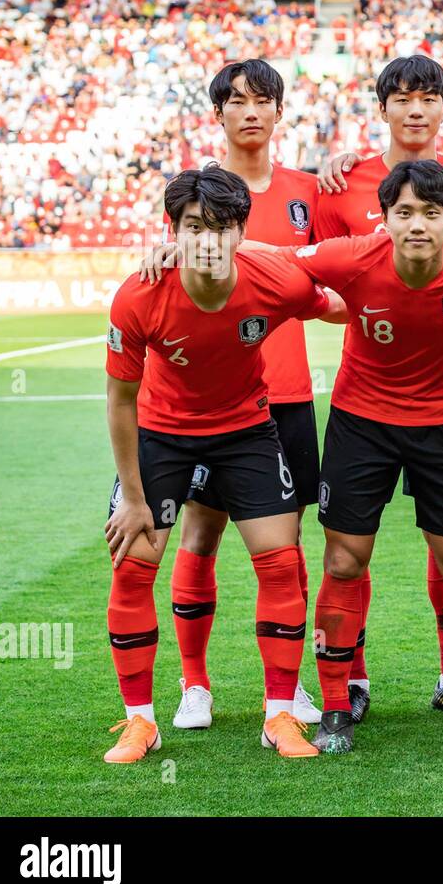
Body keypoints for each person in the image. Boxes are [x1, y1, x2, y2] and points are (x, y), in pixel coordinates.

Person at [281, 160, 443, 752]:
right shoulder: (351, 255)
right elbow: (275, 261)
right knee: (344, 562)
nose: (417, 225)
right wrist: (188, 249)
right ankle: (337, 710)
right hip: (359, 425)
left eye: (431, 213)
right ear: (385, 218)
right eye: (404, 213)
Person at [102, 165, 345, 763]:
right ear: (173, 232)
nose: (206, 242)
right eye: (193, 228)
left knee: (282, 565)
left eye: (220, 228)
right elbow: (120, 400)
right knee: (134, 567)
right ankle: (141, 722)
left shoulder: (274, 282)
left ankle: (279, 715)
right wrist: (133, 498)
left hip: (246, 432)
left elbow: (335, 302)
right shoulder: (139, 294)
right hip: (163, 435)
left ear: (241, 231)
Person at [315, 55, 443, 722]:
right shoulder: (341, 181)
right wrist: (379, 318)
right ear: (383, 108)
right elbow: (313, 282)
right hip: (361, 401)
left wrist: (442, 333)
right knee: (345, 554)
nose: (416, 109)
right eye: (402, 97)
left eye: (428, 97)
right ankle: (352, 684)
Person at [161, 59, 323, 733]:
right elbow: (171, 256)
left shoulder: (313, 189)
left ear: (279, 112)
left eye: (262, 100)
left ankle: (284, 695)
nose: (249, 110)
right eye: (235, 100)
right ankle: (193, 684)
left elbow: (343, 258)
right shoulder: (199, 195)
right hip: (209, 403)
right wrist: (154, 248)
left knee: (283, 546)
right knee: (199, 532)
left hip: (284, 397)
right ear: (218, 113)